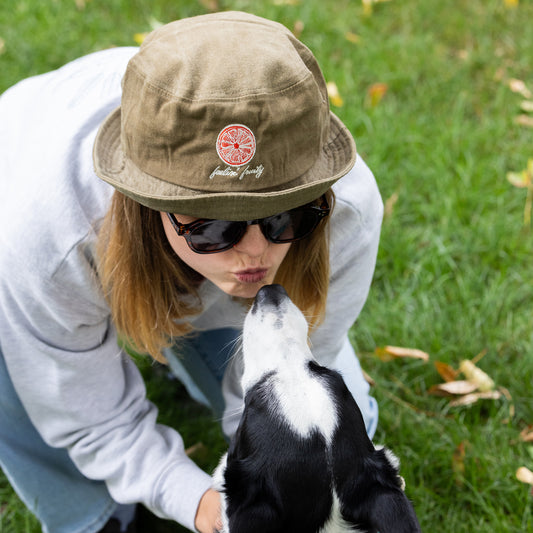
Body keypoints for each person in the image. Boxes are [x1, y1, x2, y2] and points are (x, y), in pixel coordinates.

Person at [0, 11, 383, 533]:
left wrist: (263, 483)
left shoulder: (348, 210)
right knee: (20, 379)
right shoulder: (48, 236)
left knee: (340, 436)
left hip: (161, 264)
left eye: (284, 216)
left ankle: (180, 345)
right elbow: (86, 416)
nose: (255, 254)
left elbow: (288, 376)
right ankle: (96, 516)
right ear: (147, 204)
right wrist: (198, 503)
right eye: (214, 228)